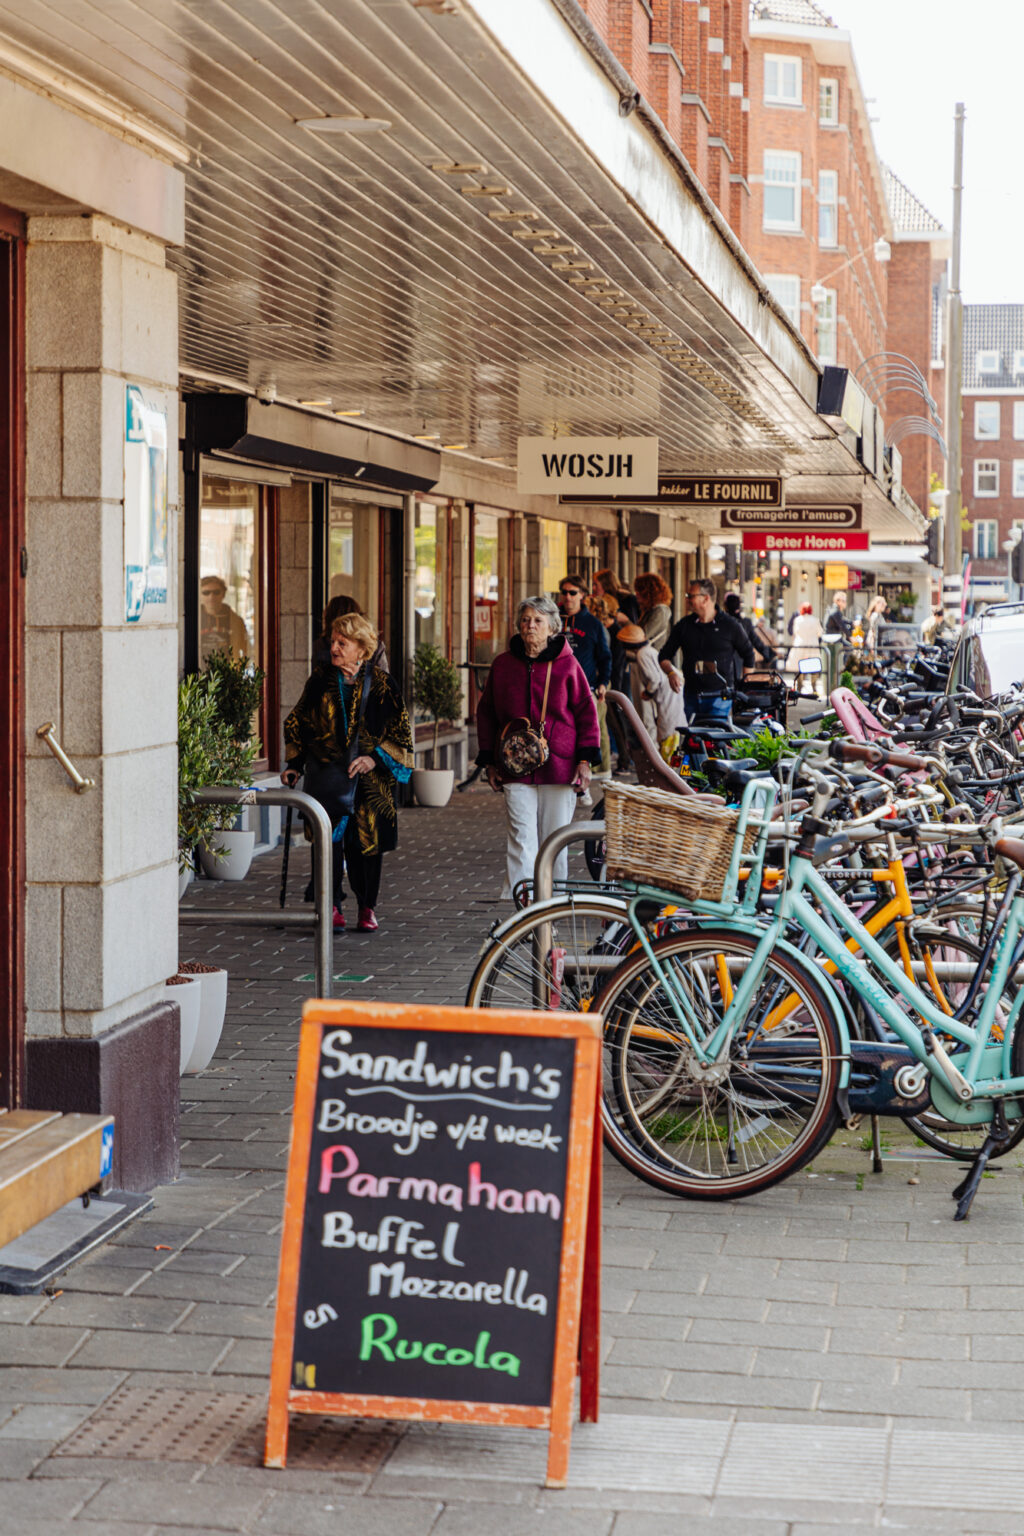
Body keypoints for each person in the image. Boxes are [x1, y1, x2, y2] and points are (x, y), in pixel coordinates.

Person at [282, 611, 413, 933]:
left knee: (367, 846)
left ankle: (367, 907)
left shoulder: (382, 684)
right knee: (328, 841)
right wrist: (294, 765)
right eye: (333, 642)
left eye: (343, 643)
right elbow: (297, 721)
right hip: (327, 777)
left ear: (361, 647)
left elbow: (402, 732)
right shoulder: (320, 680)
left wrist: (375, 759)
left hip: (371, 783)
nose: (335, 648)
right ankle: (332, 906)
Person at [476, 595, 600, 901]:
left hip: (559, 764)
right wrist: (489, 761)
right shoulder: (503, 665)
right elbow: (487, 712)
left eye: (537, 621)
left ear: (552, 627)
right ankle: (524, 908)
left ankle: (553, 903)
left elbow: (587, 711)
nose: (530, 626)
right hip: (514, 764)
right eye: (525, 620)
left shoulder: (568, 665)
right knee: (521, 836)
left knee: (554, 839)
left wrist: (585, 760)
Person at [658, 577, 754, 724]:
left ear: (706, 599)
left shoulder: (730, 625)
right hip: (691, 695)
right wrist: (670, 673)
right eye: (687, 596)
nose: (688, 599)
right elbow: (664, 655)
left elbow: (748, 654)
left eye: (691, 596)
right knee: (695, 740)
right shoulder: (684, 626)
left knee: (714, 739)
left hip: (720, 697)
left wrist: (745, 687)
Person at [559, 573, 612, 789]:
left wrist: (603, 682)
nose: (568, 597)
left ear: (582, 595)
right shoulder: (553, 619)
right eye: (564, 592)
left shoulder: (593, 625)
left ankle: (591, 774)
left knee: (591, 731)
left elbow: (605, 657)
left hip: (585, 686)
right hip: (557, 688)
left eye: (573, 593)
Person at [620, 623, 686, 751]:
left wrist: (648, 692)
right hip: (672, 695)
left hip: (667, 696)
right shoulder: (649, 650)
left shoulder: (642, 655)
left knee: (668, 733)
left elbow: (655, 679)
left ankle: (668, 769)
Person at [313, 594, 389, 672]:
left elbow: (384, 679)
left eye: (342, 643)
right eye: (333, 642)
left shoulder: (319, 645)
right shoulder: (320, 645)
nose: (333, 648)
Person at [199, 575, 250, 663]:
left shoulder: (236, 621)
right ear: (199, 595)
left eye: (216, 592)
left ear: (223, 594)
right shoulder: (194, 620)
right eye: (206, 592)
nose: (211, 597)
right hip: (199, 672)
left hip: (228, 673)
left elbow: (246, 650)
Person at [723, 592, 777, 665]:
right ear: (739, 606)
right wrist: (770, 654)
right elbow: (756, 641)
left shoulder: (722, 623)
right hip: (741, 663)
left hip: (724, 662)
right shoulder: (745, 623)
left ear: (726, 607)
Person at [788, 602, 824, 694]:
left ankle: (799, 688)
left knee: (799, 667)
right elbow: (820, 633)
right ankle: (814, 688)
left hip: (800, 644)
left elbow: (795, 632)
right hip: (812, 644)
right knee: (814, 666)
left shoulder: (798, 620)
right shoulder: (815, 620)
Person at [634, 571, 674, 651]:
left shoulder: (660, 611)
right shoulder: (649, 610)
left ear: (649, 592)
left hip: (653, 656)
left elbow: (642, 635)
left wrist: (626, 621)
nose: (636, 594)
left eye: (639, 591)